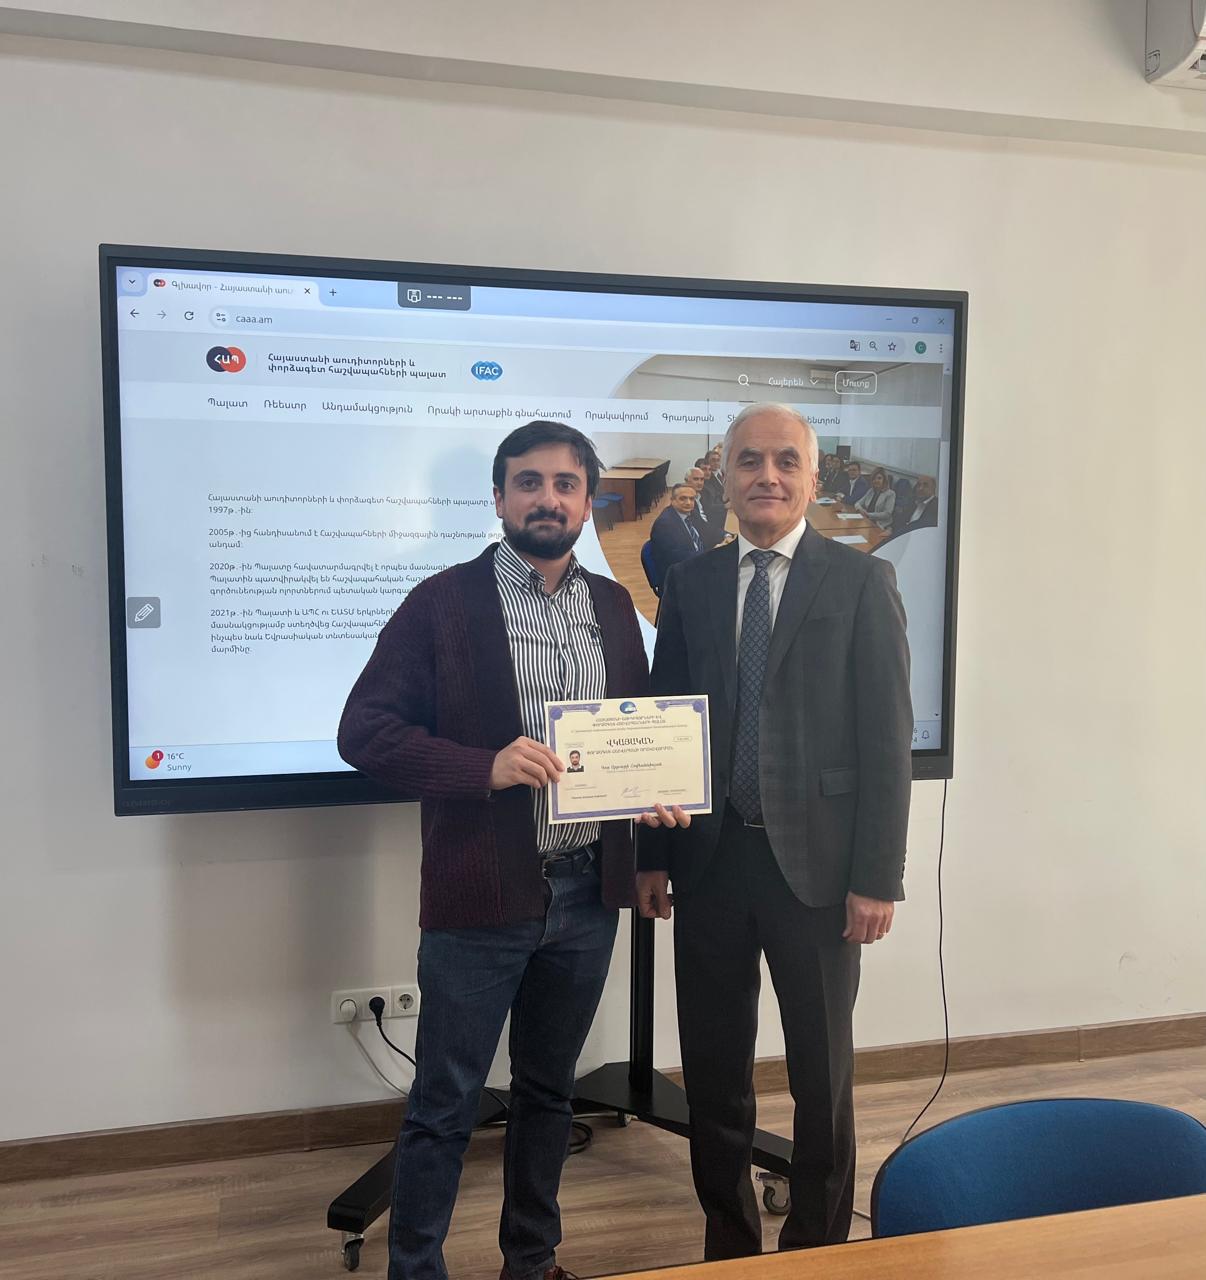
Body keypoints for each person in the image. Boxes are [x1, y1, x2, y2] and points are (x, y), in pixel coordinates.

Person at [339, 419, 684, 1280]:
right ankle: (416, 1270)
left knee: (548, 1094)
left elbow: (636, 736)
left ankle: (531, 1262)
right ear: (499, 499)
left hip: (586, 896)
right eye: (529, 482)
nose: (548, 499)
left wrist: (654, 805)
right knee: (445, 1103)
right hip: (479, 896)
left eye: (566, 484)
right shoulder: (442, 603)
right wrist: (481, 767)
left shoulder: (613, 608)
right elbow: (364, 732)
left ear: (587, 503)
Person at [636, 403, 912, 1259]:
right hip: (710, 864)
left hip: (821, 873)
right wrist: (652, 856)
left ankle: (817, 1249)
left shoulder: (862, 581)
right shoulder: (692, 584)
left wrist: (878, 876)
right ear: (725, 476)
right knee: (715, 1075)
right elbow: (664, 723)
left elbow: (887, 742)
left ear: (813, 478)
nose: (768, 475)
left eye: (786, 460)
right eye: (750, 460)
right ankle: (729, 1244)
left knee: (821, 1079)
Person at [649, 483, 711, 589]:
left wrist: (727, 536)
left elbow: (708, 530)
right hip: (677, 578)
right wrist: (710, 554)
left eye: (692, 499)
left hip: (695, 565)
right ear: (672, 500)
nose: (688, 503)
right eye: (683, 499)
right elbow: (676, 557)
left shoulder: (691, 513)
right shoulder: (664, 524)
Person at [685, 466, 725, 545]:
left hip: (709, 529)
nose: (700, 483)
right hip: (701, 540)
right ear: (686, 481)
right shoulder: (686, 502)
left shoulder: (700, 495)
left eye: (702, 479)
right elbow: (701, 527)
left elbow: (706, 518)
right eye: (696, 479)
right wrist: (723, 535)